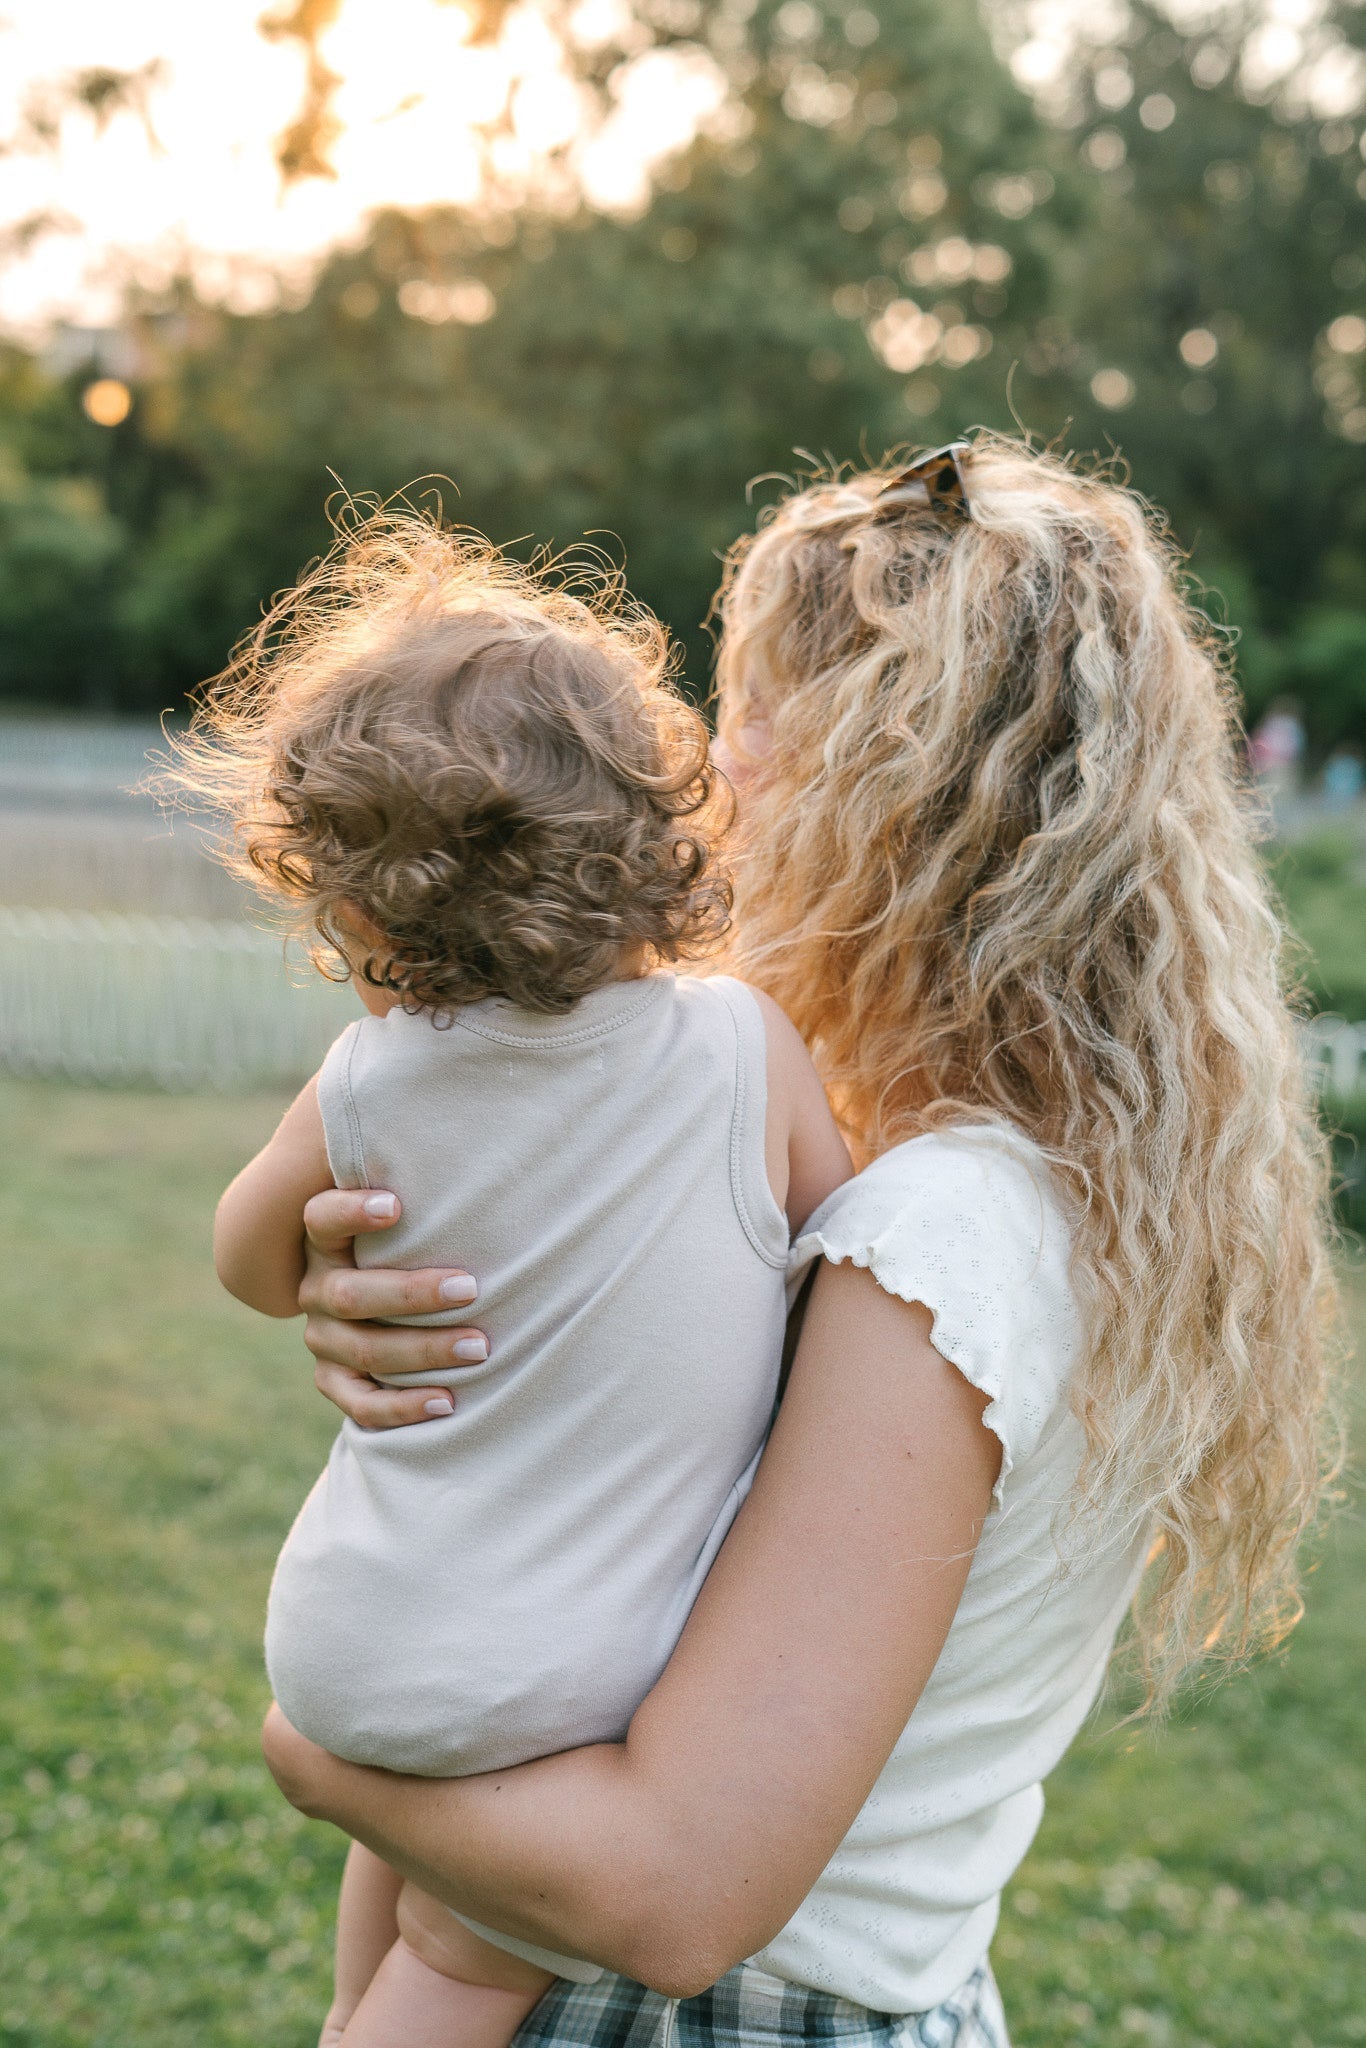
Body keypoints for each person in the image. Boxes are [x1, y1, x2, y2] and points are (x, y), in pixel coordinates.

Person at [261, 439, 1340, 2048]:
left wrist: (311, 1752)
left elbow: (673, 1894)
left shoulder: (933, 1234)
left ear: (883, 776)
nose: (710, 764)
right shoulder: (1019, 1174)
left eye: (757, 710)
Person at [178, 519, 850, 2048]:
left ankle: (347, 2016)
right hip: (559, 1672)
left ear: (362, 899)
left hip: (356, 1630)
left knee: (406, 1879)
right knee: (464, 1966)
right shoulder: (737, 1047)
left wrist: (315, 1256)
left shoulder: (372, 1077)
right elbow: (835, 1240)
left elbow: (245, 1256)